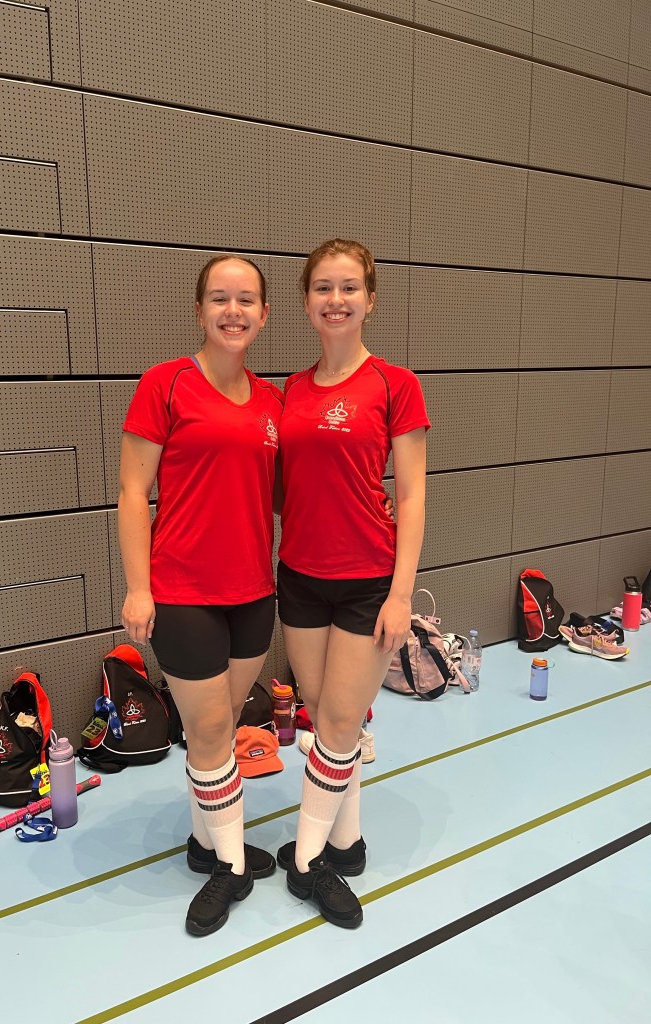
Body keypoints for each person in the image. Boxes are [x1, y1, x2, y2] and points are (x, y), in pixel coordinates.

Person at [117, 255, 283, 937]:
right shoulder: (166, 384)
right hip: (182, 592)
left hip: (254, 594)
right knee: (212, 731)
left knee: (219, 724)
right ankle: (230, 865)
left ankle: (204, 841)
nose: (233, 311)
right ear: (199, 310)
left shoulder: (274, 401)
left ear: (265, 315)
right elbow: (132, 493)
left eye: (246, 300)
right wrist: (137, 586)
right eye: (220, 298)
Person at [276, 238, 430, 928]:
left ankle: (307, 861)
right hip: (300, 578)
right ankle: (349, 840)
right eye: (322, 289)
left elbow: (416, 495)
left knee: (338, 722)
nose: (335, 301)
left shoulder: (396, 384)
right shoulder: (293, 390)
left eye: (348, 288)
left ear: (370, 300)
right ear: (307, 302)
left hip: (367, 581)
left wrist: (400, 594)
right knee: (325, 714)